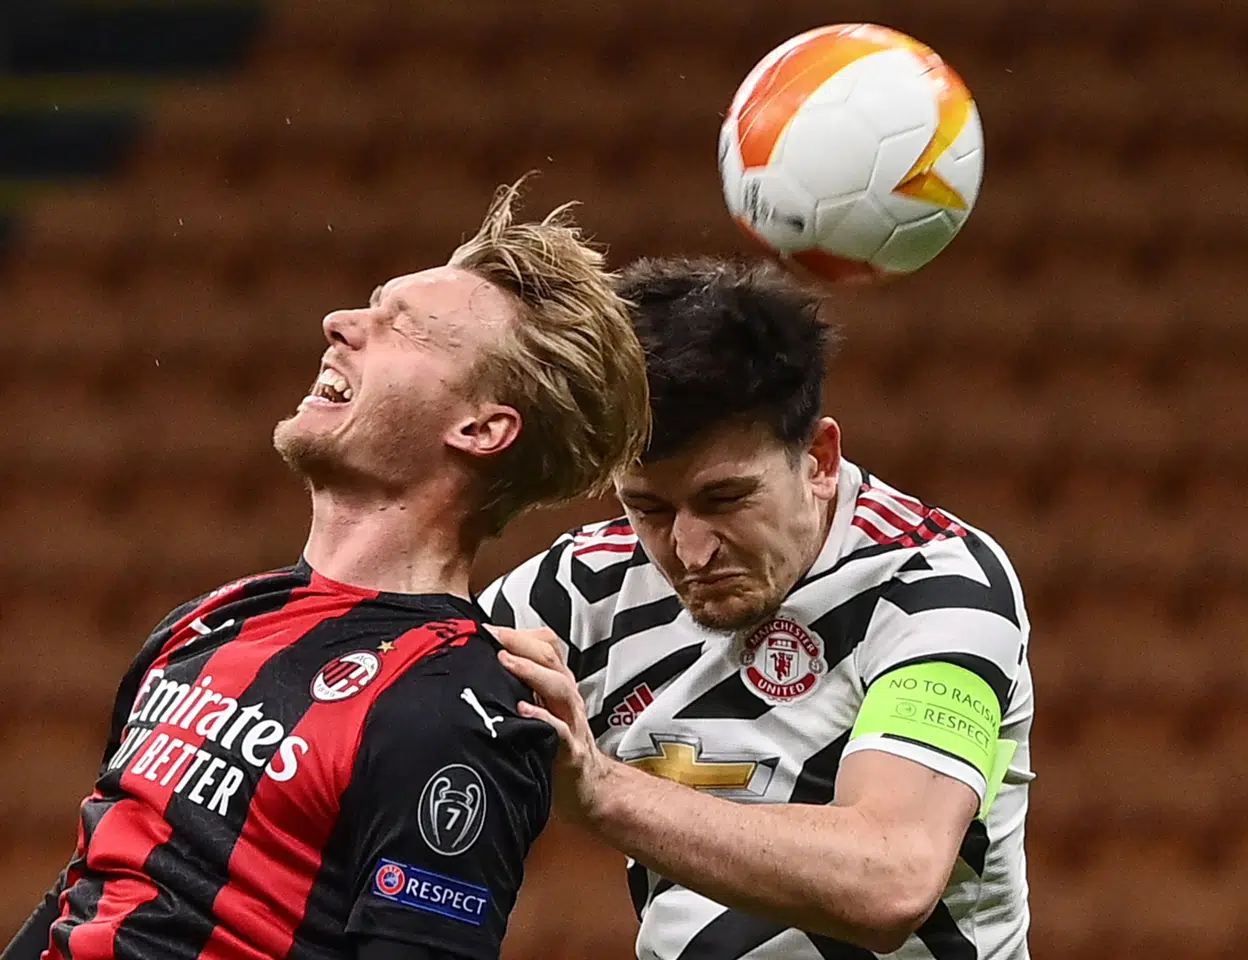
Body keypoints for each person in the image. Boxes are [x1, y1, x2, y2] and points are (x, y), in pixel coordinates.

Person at [2, 183, 651, 960]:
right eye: (368, 308)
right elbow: (90, 888)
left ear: (481, 428)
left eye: (400, 329)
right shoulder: (213, 618)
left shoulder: (452, 711)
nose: (339, 324)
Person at [481, 257, 1035, 959]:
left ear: (820, 459)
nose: (688, 551)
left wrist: (598, 789)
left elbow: (893, 880)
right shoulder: (583, 588)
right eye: (646, 508)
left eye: (725, 500)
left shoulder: (935, 581)